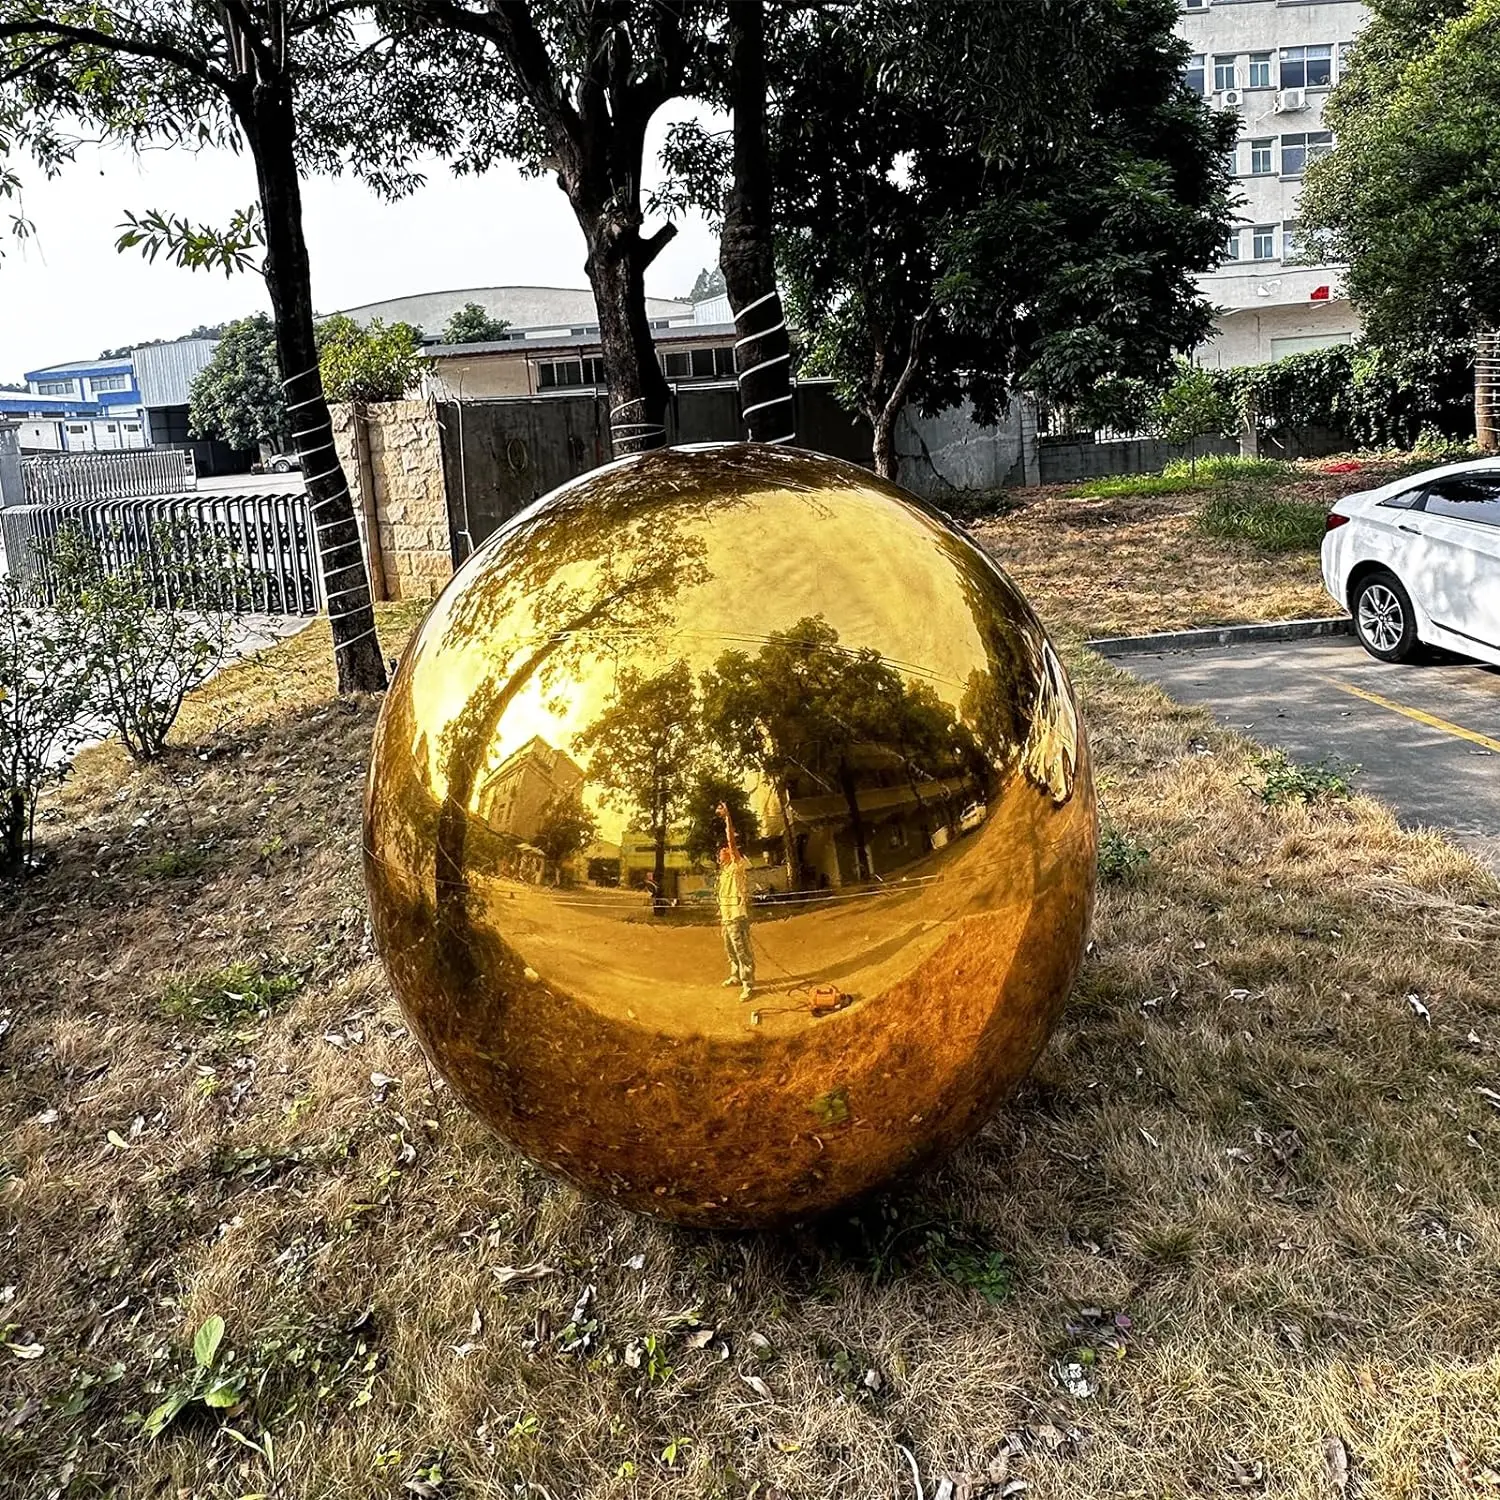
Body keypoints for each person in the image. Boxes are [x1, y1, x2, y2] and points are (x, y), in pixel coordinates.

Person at [716, 801, 754, 1000]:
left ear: (731, 854)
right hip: (727, 917)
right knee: (730, 949)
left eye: (725, 850)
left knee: (741, 950)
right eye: (721, 851)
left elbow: (731, 841)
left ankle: (748, 984)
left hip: (738, 916)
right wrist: (721, 916)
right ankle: (736, 976)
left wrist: (727, 817)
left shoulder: (737, 866)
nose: (722, 851)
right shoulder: (723, 873)